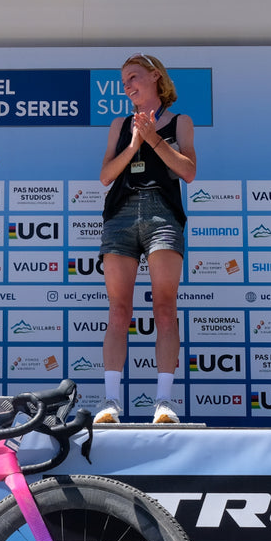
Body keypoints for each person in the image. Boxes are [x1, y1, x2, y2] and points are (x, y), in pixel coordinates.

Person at [94, 54, 197, 424]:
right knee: (118, 310)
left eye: (134, 77)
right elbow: (106, 176)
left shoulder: (180, 121)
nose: (128, 86)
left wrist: (153, 138)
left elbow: (188, 171)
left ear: (155, 77)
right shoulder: (119, 124)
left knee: (165, 308)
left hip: (162, 213)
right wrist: (134, 142)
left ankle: (164, 403)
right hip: (120, 212)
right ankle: (110, 403)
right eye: (124, 81)